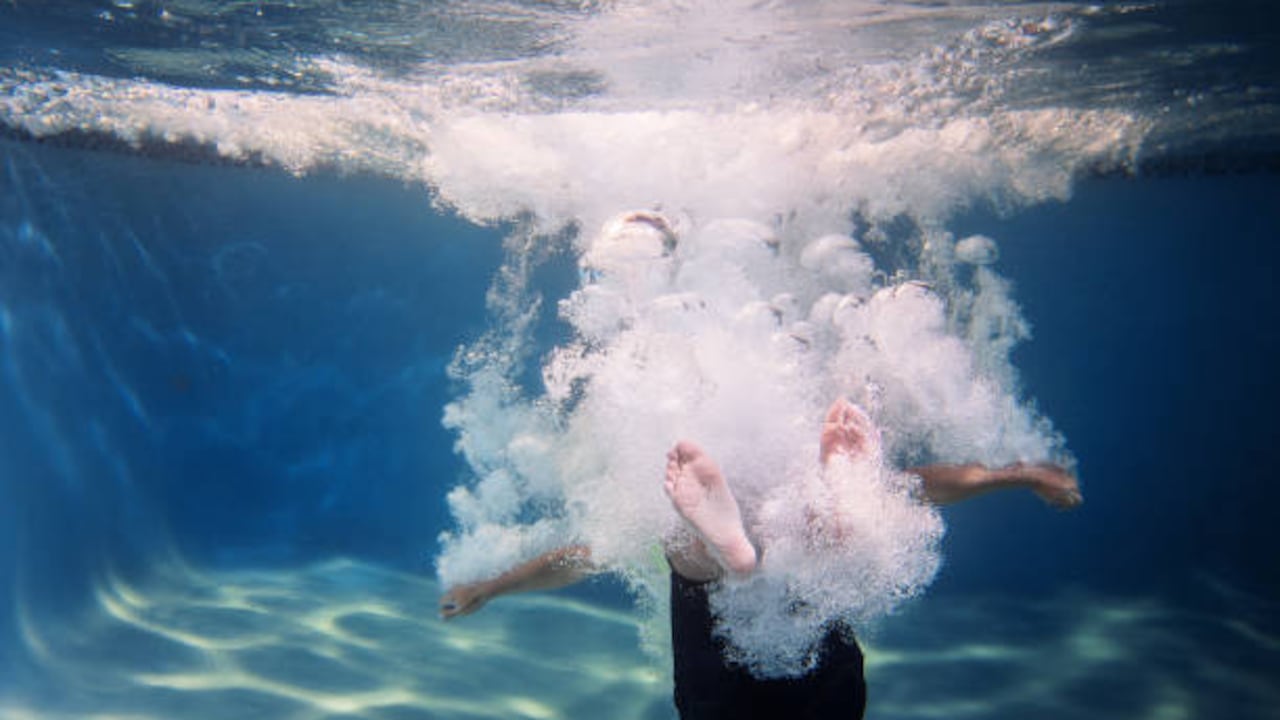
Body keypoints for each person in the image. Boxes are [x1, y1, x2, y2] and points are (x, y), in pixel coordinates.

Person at [439, 399, 1081, 719]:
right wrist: (1017, 475)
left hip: (734, 691)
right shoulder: (782, 490)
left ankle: (739, 557)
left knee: (691, 553)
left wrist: (492, 586)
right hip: (816, 680)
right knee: (804, 545)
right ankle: (818, 520)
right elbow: (921, 486)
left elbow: (582, 558)